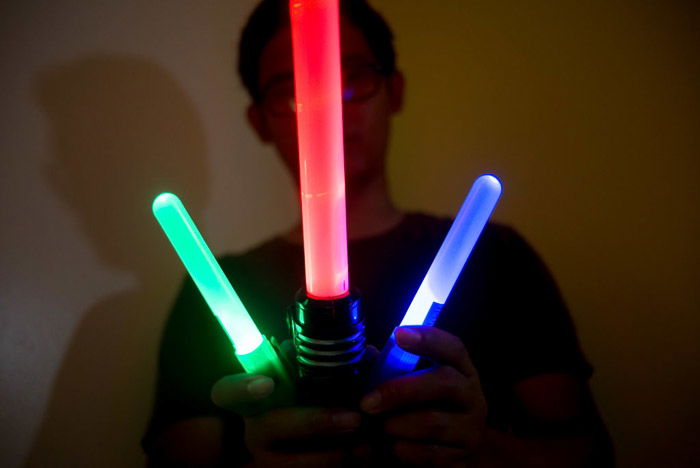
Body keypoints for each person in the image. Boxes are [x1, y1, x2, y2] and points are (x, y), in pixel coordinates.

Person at [143, 0, 614, 466]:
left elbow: (590, 454)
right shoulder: (212, 291)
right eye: (295, 89)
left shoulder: (498, 257)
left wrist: (479, 448)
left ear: (396, 89)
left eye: (355, 77)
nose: (329, 104)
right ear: (260, 120)